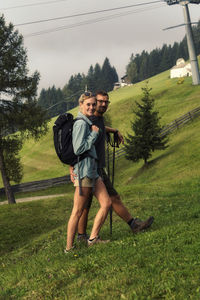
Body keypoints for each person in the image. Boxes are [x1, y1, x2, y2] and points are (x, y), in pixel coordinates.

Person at [70, 90, 154, 241]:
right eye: (100, 101)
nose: (103, 104)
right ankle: (133, 225)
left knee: (86, 205)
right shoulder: (90, 120)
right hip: (91, 168)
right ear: (93, 103)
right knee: (111, 198)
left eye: (105, 102)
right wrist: (72, 167)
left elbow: (101, 128)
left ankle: (82, 236)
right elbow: (77, 146)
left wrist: (114, 130)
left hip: (95, 168)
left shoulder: (97, 119)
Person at [65, 92, 111, 252]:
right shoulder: (80, 124)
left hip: (93, 170)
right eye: (88, 105)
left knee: (106, 203)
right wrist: (94, 134)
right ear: (81, 105)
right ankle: (69, 248)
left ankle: (93, 238)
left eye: (93, 104)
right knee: (77, 211)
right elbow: (78, 149)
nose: (92, 107)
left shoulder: (87, 122)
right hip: (84, 171)